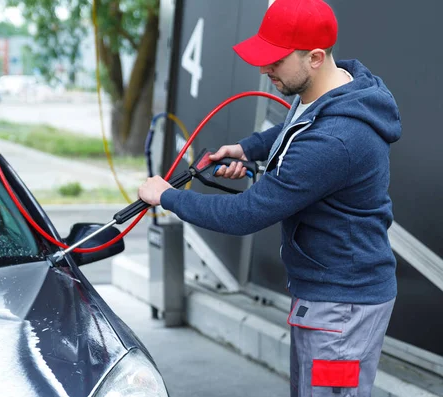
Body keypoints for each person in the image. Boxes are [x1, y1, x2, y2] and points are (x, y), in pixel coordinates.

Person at [137, 0, 401, 395]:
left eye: (275, 61)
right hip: (329, 298)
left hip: (339, 316)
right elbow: (294, 129)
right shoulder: (333, 86)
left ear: (314, 57)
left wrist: (168, 197)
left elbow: (246, 213)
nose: (264, 69)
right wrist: (248, 149)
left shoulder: (337, 139)